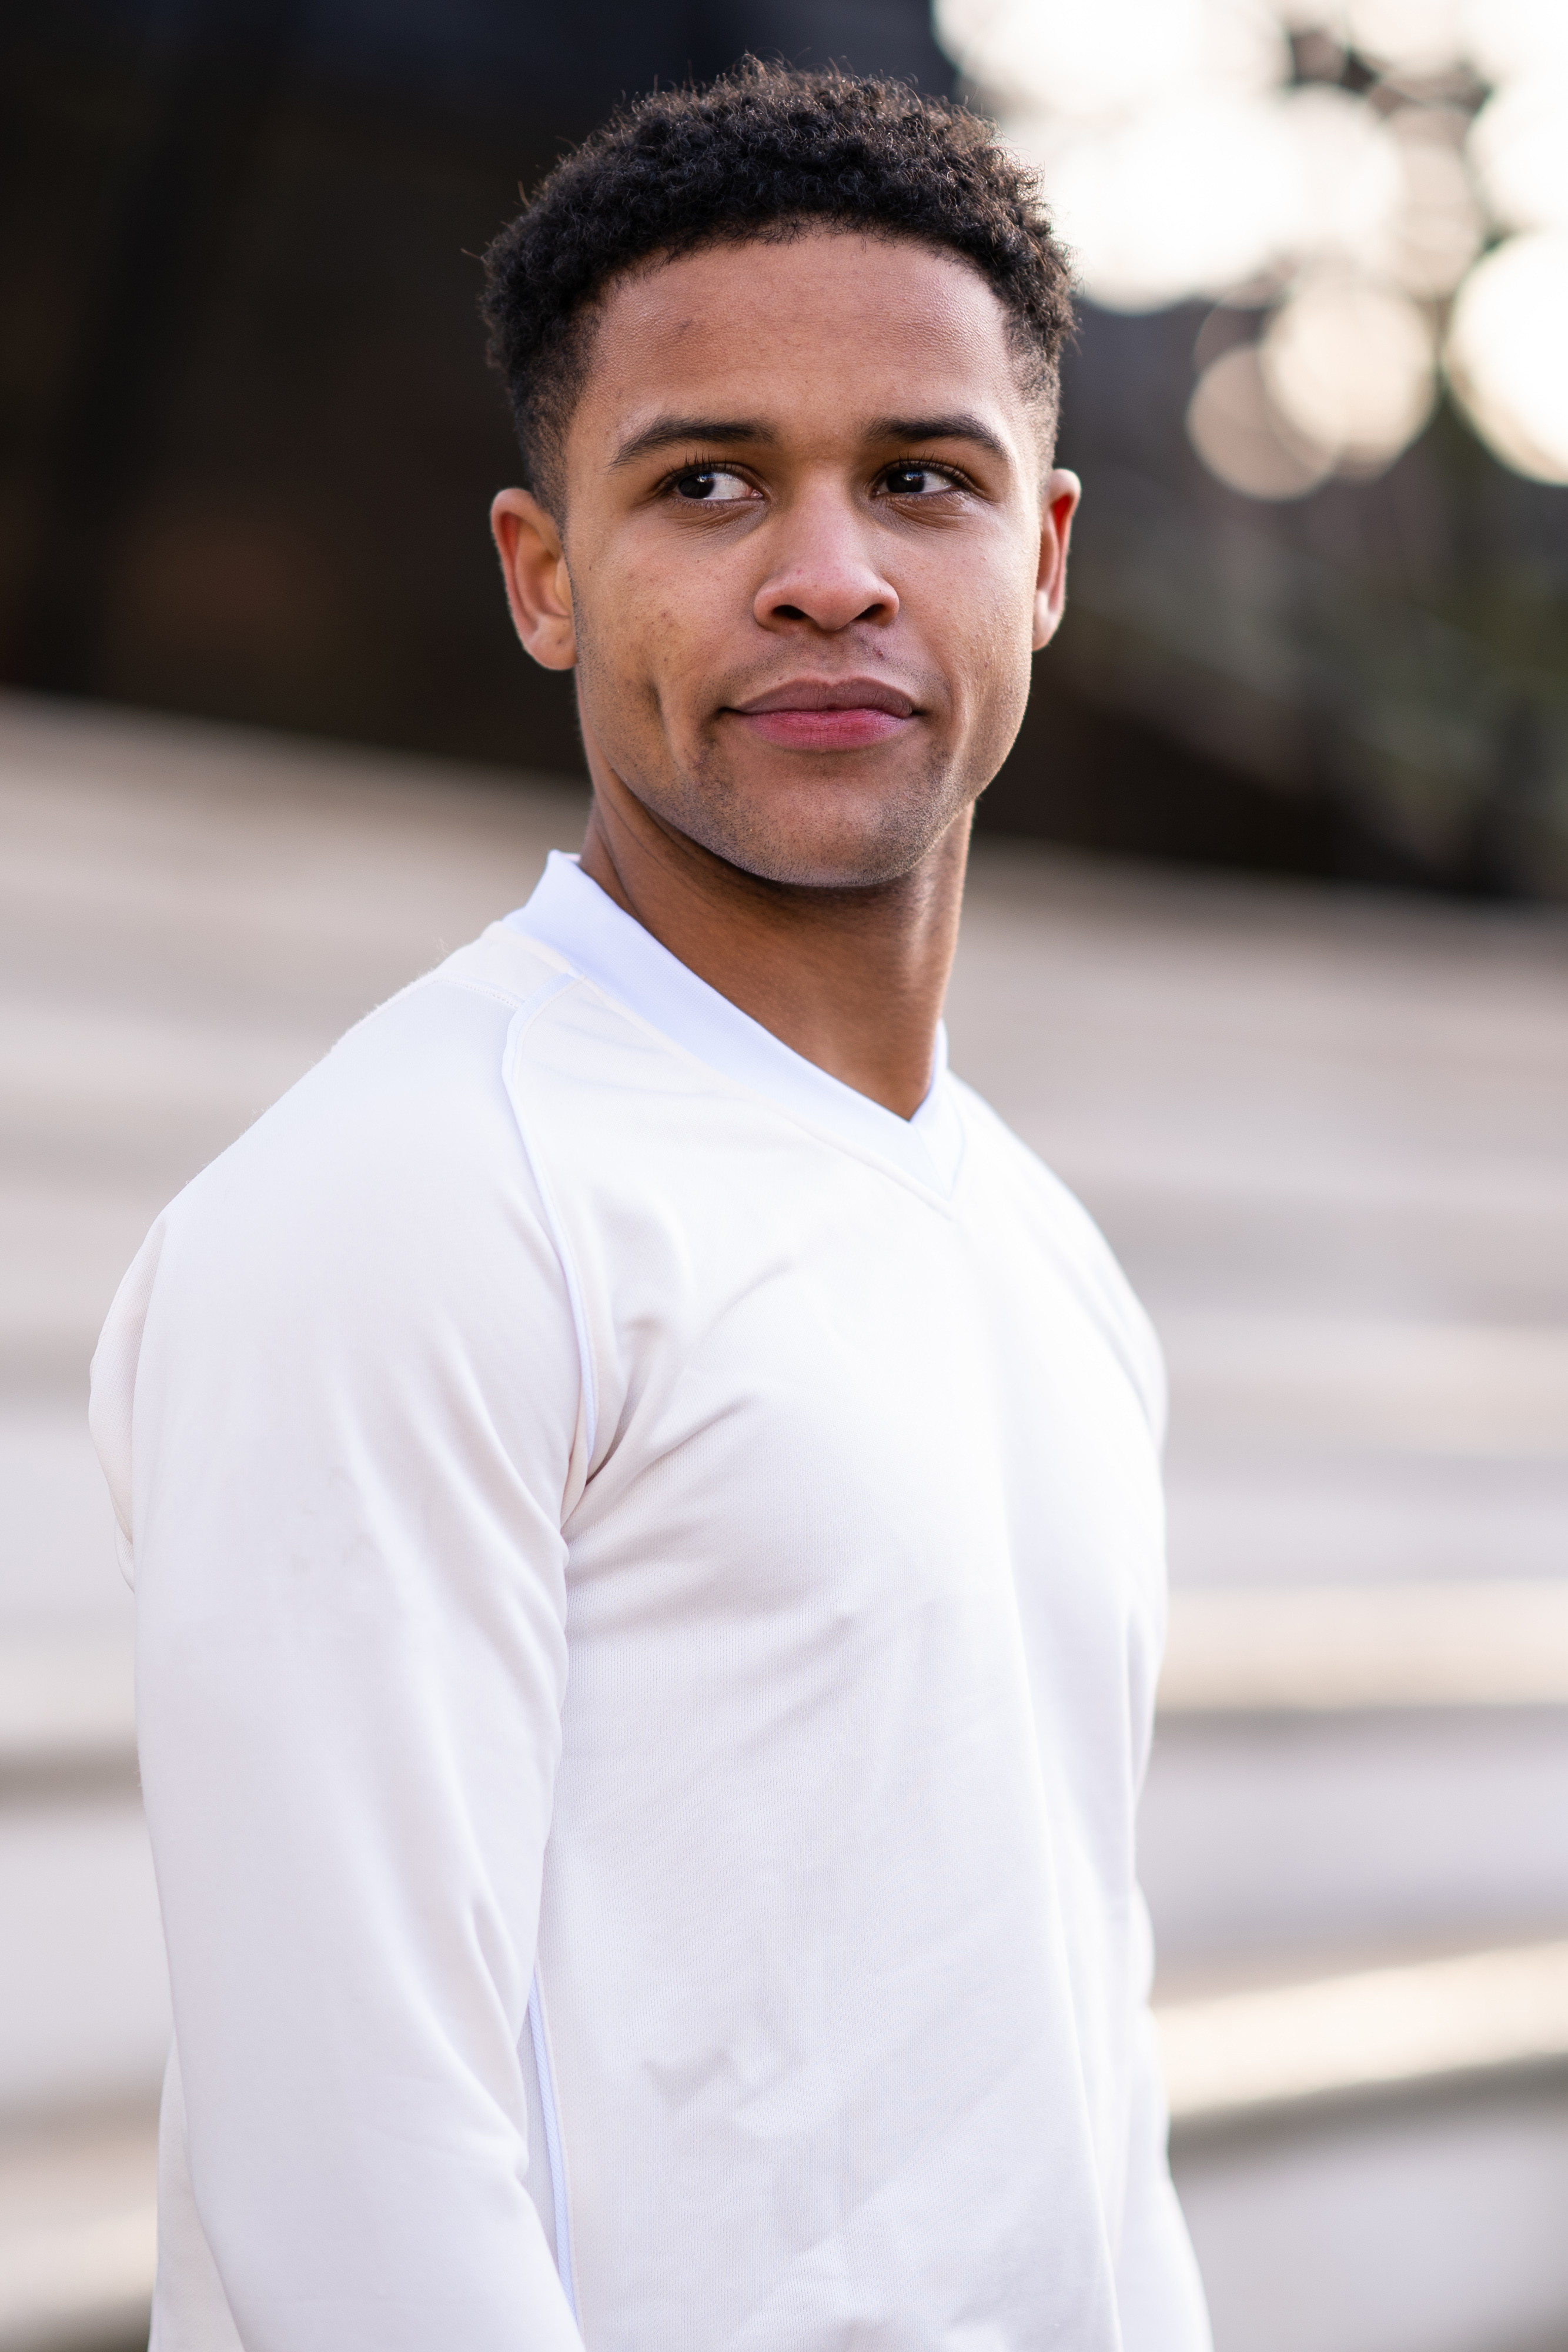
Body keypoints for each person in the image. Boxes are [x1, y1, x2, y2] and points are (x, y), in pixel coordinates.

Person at [91, 62, 1212, 2352]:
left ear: (1043, 557)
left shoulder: (1045, 1255)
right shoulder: (410, 1207)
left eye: (920, 480)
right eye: (707, 483)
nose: (829, 574)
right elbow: (347, 2189)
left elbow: (1086, 2087)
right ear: (544, 576)